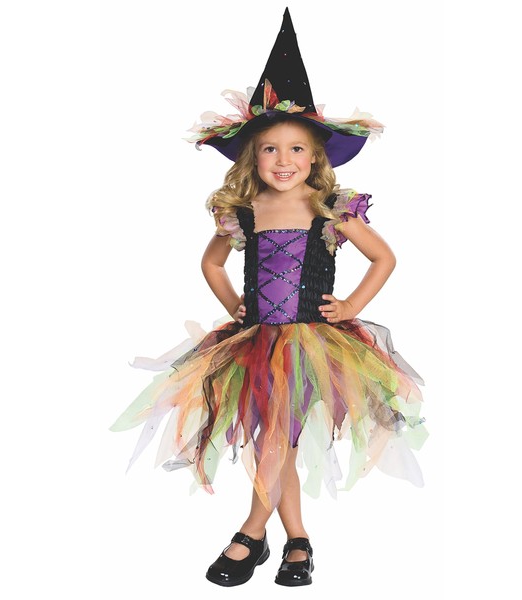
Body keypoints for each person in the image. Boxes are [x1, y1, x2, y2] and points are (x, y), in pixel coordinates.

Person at [109, 8, 428, 588]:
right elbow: (211, 262)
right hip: (255, 340)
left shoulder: (331, 209)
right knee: (274, 439)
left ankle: (251, 531)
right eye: (270, 150)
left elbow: (384, 258)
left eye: (297, 149)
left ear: (317, 156)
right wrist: (234, 301)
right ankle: (297, 540)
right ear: (252, 157)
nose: (284, 161)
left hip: (313, 343)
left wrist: (351, 307)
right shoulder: (245, 211)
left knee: (277, 437)